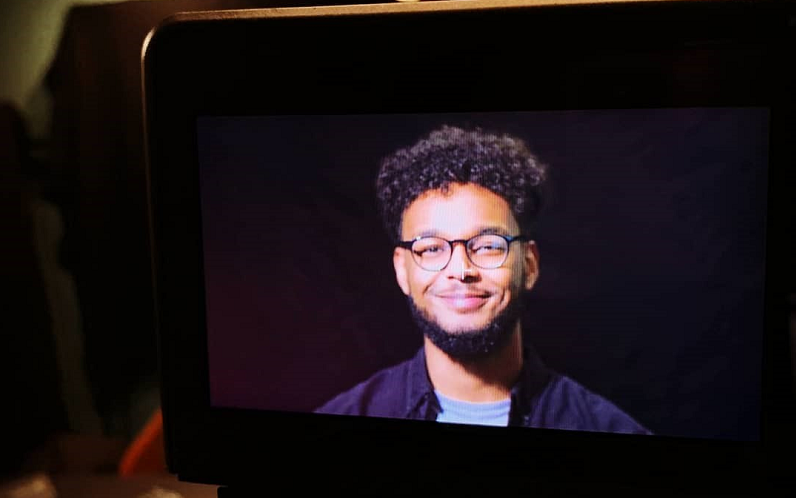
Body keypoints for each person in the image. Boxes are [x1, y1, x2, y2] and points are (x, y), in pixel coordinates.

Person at [316, 125, 651, 434]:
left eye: (488, 245)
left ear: (529, 265)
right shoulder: (350, 411)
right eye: (431, 248)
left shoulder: (603, 426)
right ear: (402, 271)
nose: (461, 270)